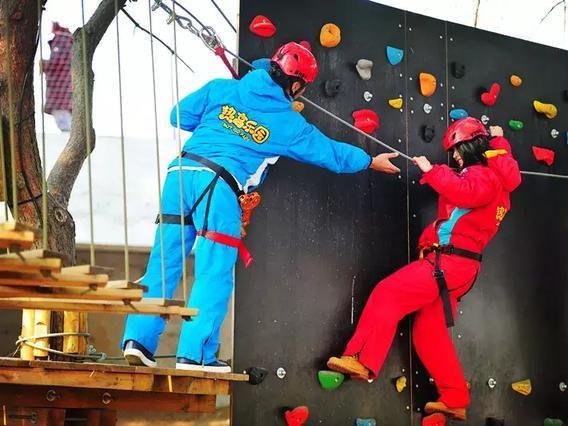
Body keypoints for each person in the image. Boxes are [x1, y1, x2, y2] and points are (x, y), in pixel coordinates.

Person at [120, 42, 400, 372]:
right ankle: (194, 355)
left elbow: (178, 116)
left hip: (179, 175)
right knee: (214, 271)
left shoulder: (221, 88)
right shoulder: (287, 124)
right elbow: (331, 154)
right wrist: (369, 160)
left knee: (163, 264)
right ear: (296, 85)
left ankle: (137, 341)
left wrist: (225, 120)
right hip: (218, 185)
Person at [326, 118, 521, 421]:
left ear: (473, 146)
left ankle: (361, 359)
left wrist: (434, 171)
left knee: (388, 293)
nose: (455, 157)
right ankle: (455, 397)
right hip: (461, 267)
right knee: (428, 334)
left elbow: (464, 193)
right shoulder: (496, 177)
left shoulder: (483, 176)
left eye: (458, 149)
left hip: (449, 262)